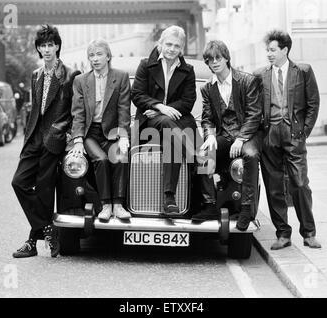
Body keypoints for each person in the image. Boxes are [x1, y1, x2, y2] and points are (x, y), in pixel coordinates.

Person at [11, 25, 81, 258]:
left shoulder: (70, 75)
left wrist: (67, 136)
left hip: (54, 139)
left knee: (44, 190)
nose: (47, 49)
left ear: (58, 46)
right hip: (34, 138)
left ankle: (33, 241)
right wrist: (28, 135)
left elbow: (74, 111)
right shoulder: (36, 74)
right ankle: (49, 229)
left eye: (51, 45)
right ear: (39, 49)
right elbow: (36, 111)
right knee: (19, 182)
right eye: (43, 45)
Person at [254, 29, 321, 250]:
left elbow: (313, 103)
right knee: (274, 187)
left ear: (285, 50)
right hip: (270, 134)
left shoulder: (302, 71)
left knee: (300, 184)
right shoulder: (260, 74)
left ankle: (309, 233)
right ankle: (283, 233)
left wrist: (304, 132)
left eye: (273, 50)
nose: (269, 54)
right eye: (267, 50)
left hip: (294, 134)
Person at [192, 40, 262, 231]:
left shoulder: (247, 81)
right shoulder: (207, 88)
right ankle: (209, 205)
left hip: (248, 134)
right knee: (202, 154)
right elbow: (207, 118)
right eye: (210, 59)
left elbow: (254, 114)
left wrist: (241, 138)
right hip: (224, 135)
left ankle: (247, 208)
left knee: (250, 155)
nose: (214, 62)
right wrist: (210, 136)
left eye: (218, 58)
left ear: (226, 58)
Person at [131, 25, 197, 215]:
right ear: (160, 44)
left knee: (171, 138)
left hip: (175, 121)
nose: (171, 49)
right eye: (168, 44)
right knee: (169, 125)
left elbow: (188, 102)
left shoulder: (188, 70)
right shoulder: (146, 65)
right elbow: (137, 94)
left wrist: (164, 111)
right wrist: (159, 107)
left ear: (182, 48)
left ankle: (169, 198)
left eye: (176, 46)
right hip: (148, 123)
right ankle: (195, 156)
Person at [69, 39, 131, 221]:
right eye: (91, 55)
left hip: (112, 132)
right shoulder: (81, 80)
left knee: (119, 157)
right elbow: (78, 113)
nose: (95, 59)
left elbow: (124, 109)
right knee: (102, 160)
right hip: (90, 133)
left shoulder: (120, 77)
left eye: (99, 54)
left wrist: (124, 135)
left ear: (108, 56)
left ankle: (118, 205)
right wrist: (78, 139)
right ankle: (105, 206)